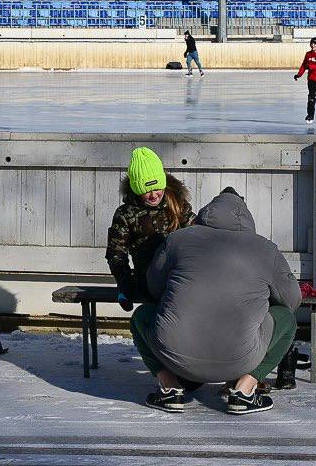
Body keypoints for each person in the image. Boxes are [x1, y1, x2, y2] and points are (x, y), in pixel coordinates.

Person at [130, 188, 302, 415]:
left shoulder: (177, 239)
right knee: (286, 320)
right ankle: (245, 389)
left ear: (206, 212)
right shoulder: (264, 248)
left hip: (176, 356)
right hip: (239, 358)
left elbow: (154, 286)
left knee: (141, 316)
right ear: (245, 216)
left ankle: (170, 387)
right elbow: (292, 300)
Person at [106, 147, 193, 310]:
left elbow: (198, 234)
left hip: (180, 279)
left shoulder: (177, 205)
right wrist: (125, 284)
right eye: (146, 190)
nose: (153, 195)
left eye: (157, 188)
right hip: (148, 281)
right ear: (136, 189)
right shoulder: (126, 213)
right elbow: (116, 253)